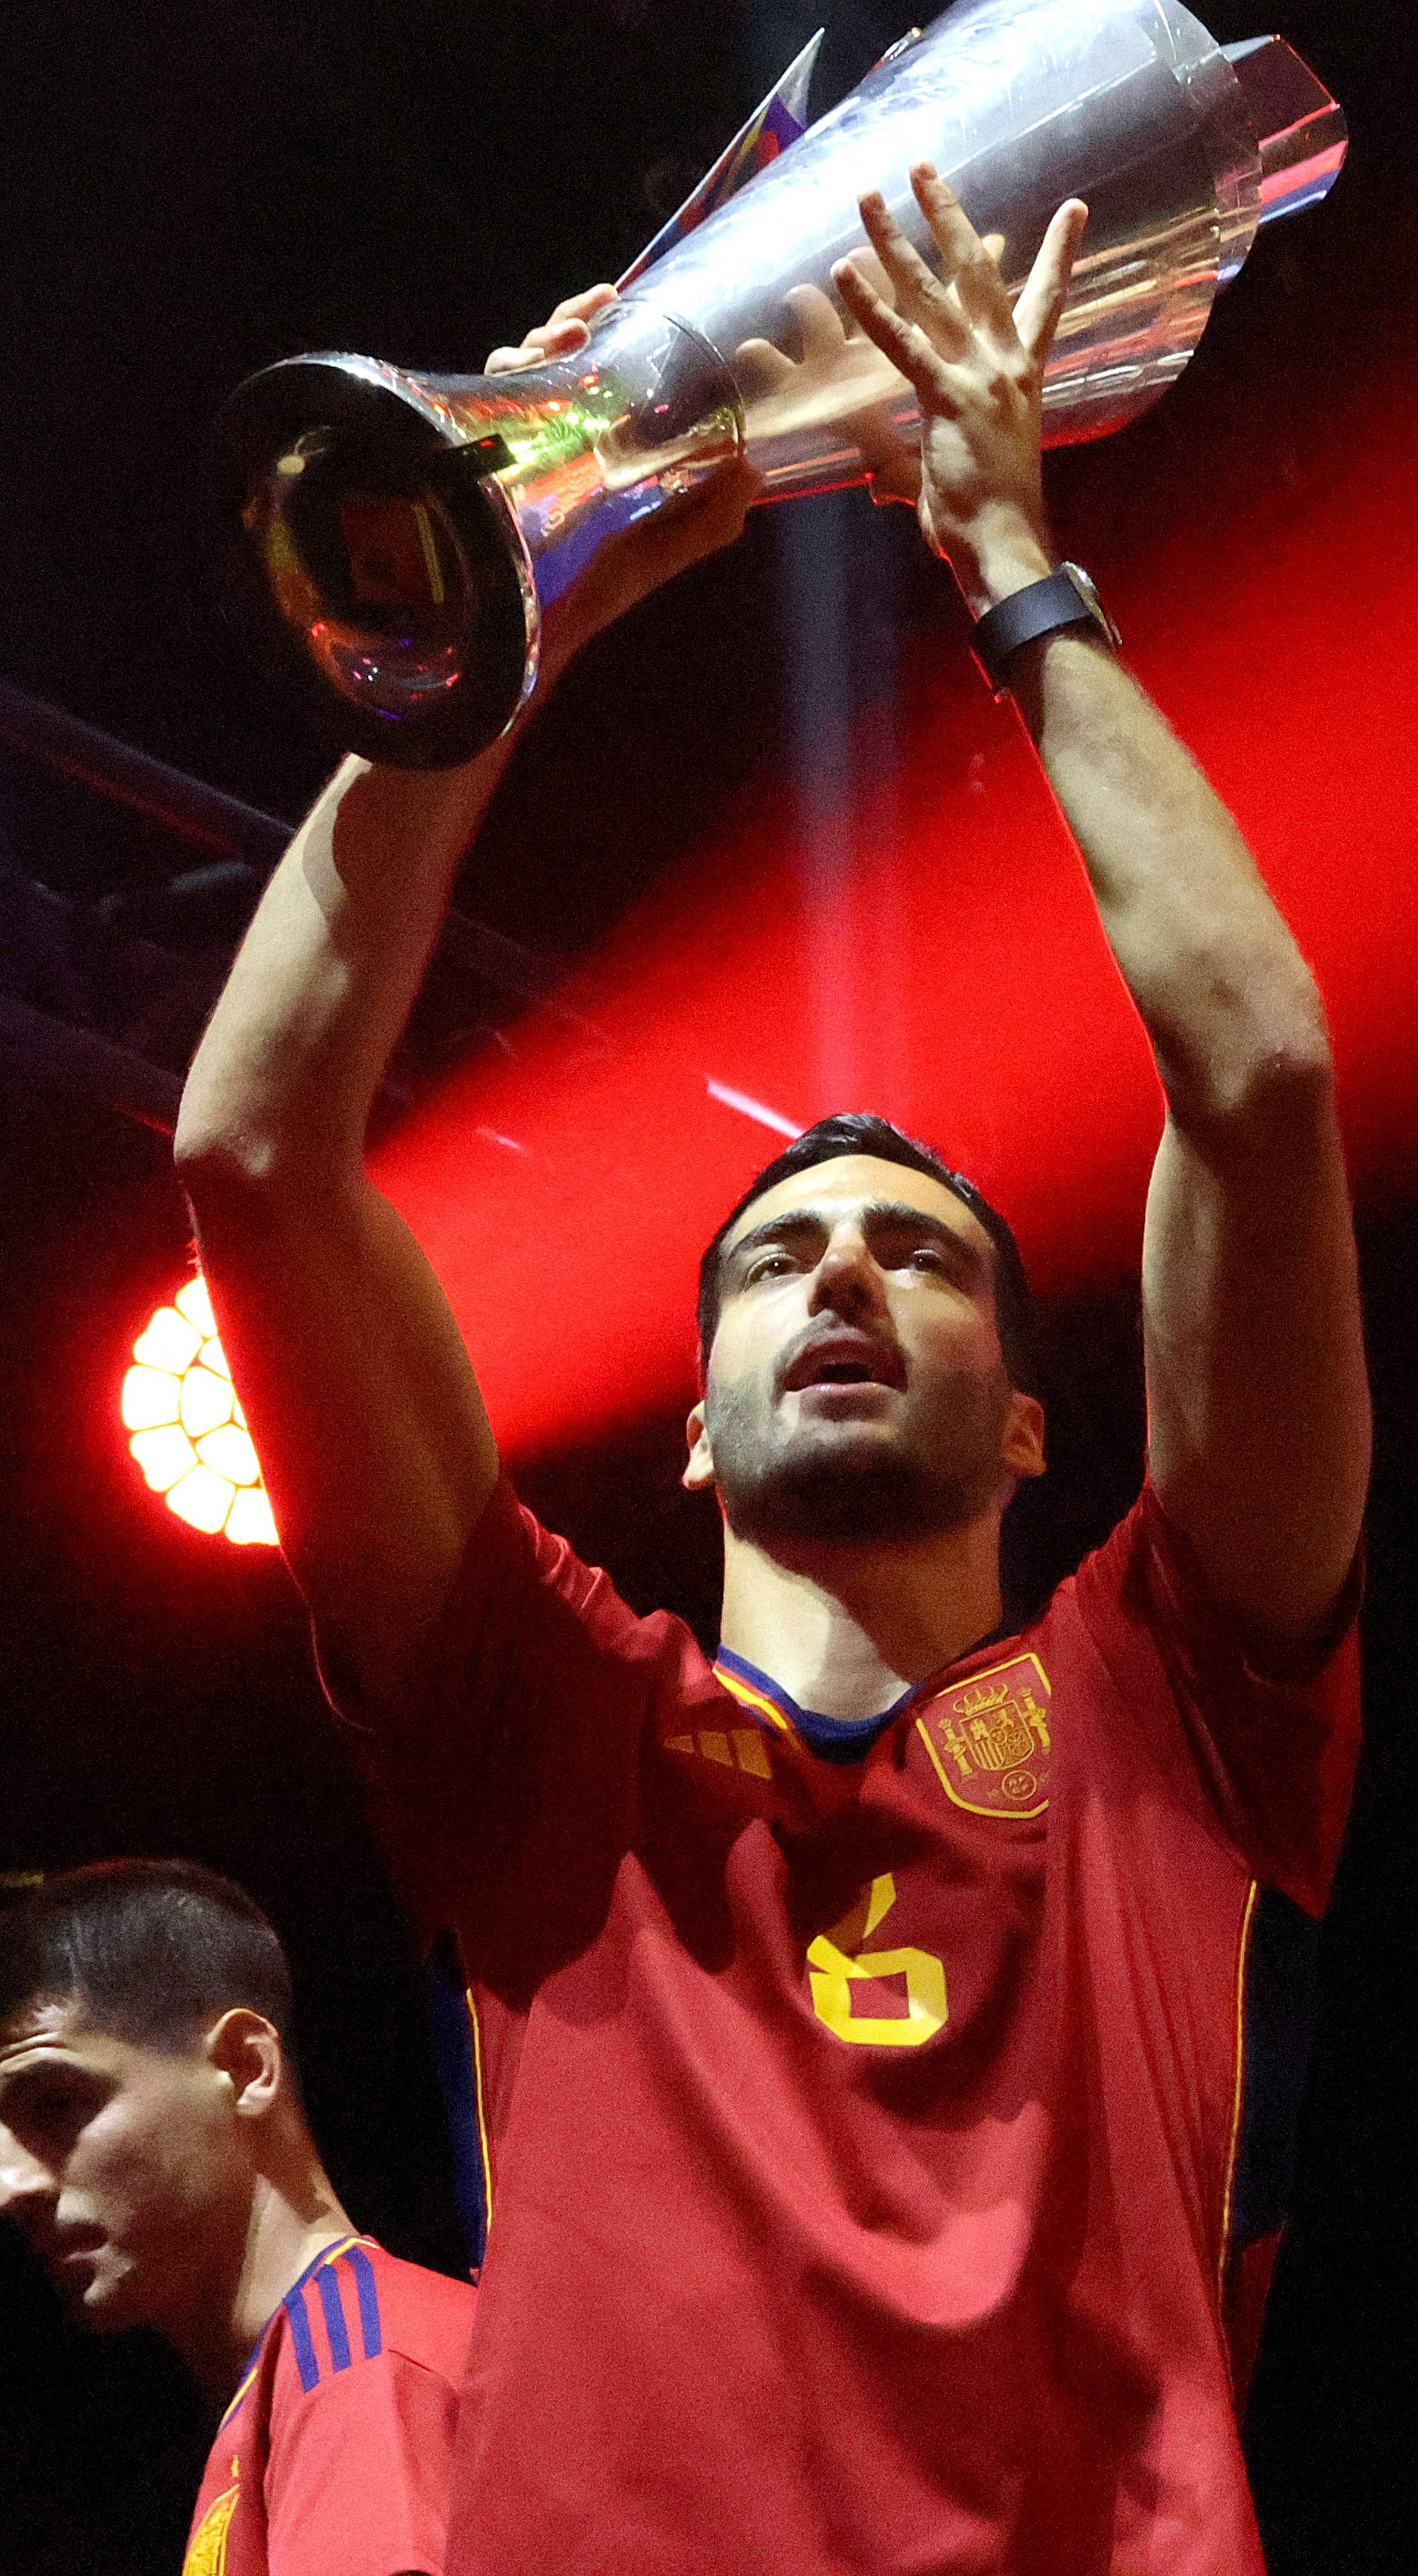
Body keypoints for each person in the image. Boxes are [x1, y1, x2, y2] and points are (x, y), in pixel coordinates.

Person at [173, 171, 1370, 2575]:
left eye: (917, 1255)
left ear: (1032, 1416)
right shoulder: (538, 1715)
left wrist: (1013, 566)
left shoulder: (1179, 1708)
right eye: (780, 1257)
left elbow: (1253, 1067)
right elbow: (252, 1146)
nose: (842, 1278)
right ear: (697, 1418)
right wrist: (538, 587)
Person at [0, 1859, 476, 2576]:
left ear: (246, 2068)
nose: (11, 2185)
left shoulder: (363, 2364)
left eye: (58, 2105)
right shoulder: (291, 2385)